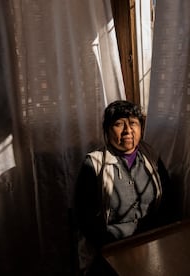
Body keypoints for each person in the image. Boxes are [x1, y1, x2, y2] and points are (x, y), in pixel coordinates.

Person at [74, 100, 180, 275]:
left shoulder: (150, 156)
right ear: (107, 130)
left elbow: (168, 201)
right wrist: (115, 245)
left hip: (152, 242)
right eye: (118, 124)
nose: (128, 131)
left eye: (133, 124)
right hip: (112, 248)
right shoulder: (94, 165)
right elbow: (86, 220)